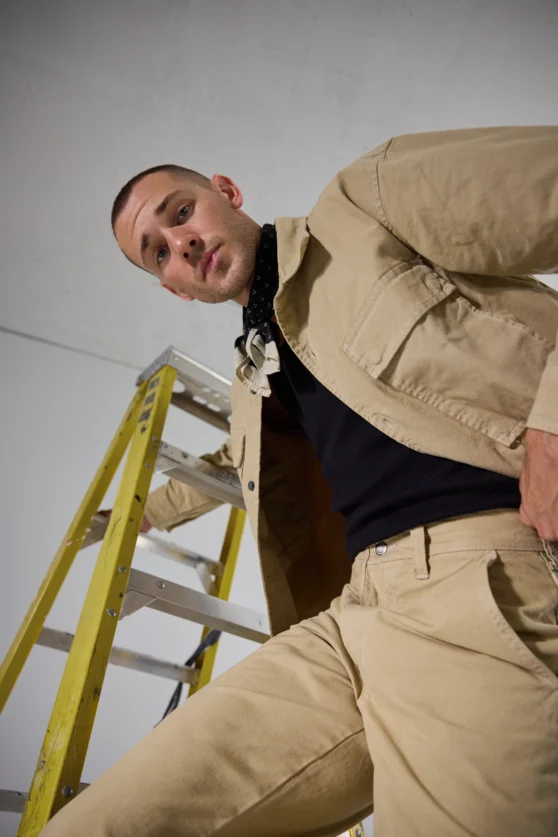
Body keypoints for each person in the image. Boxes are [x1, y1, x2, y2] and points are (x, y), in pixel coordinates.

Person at [44, 127, 558, 837]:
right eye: (158, 251)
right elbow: (230, 465)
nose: (181, 244)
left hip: (480, 579)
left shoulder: (365, 202)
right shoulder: (256, 382)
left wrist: (554, 421)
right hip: (351, 621)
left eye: (180, 211)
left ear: (226, 192)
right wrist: (137, 515)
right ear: (174, 287)